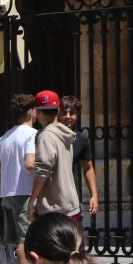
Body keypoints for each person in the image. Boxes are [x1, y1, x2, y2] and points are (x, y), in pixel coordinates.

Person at [0, 93, 37, 249]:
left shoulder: (5, 137)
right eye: (35, 109)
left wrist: (9, 170)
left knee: (11, 239)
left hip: (7, 193)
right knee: (25, 239)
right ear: (30, 111)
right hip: (25, 191)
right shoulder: (32, 135)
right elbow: (30, 163)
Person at [26, 89, 82, 225]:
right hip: (70, 204)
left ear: (37, 112)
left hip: (54, 208)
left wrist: (32, 201)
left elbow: (42, 172)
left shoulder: (46, 136)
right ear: (57, 110)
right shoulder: (64, 134)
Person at [59, 96, 100, 219]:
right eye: (64, 112)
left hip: (72, 198)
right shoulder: (47, 136)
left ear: (77, 116)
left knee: (74, 235)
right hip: (49, 199)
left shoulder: (81, 139)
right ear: (58, 113)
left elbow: (88, 168)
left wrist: (94, 195)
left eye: (72, 113)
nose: (68, 116)